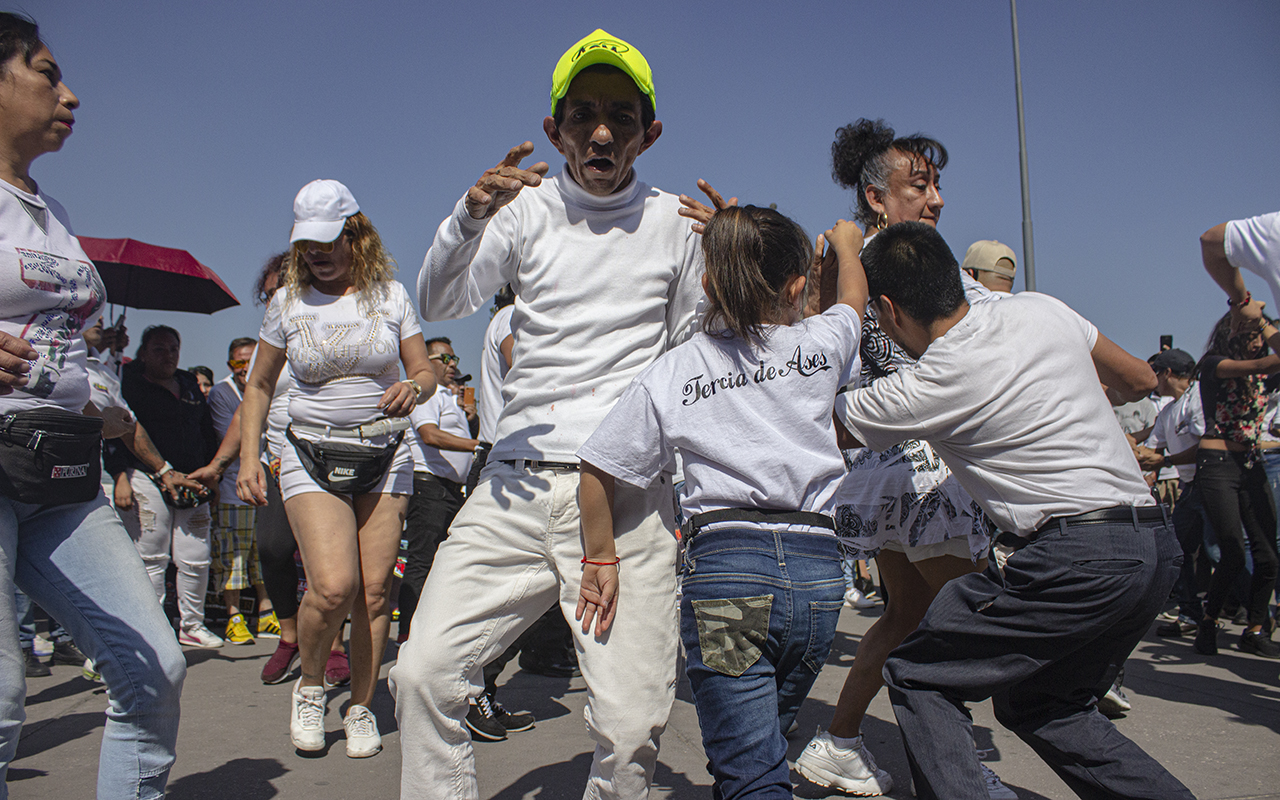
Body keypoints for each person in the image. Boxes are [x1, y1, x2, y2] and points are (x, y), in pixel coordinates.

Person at [391, 29, 708, 799]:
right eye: (584, 115)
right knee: (424, 673)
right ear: (554, 131)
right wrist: (468, 214)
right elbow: (437, 300)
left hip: (625, 500)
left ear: (649, 133)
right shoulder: (519, 210)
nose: (602, 132)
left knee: (632, 726)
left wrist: (737, 262)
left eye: (621, 118)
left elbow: (694, 354)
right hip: (514, 489)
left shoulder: (678, 225)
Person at [835, 221, 1192, 800]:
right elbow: (1138, 379)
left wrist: (844, 271)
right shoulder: (1041, 310)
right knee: (1044, 704)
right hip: (1152, 547)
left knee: (919, 672)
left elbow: (807, 418)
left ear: (889, 311)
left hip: (1076, 557)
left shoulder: (929, 382)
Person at [577, 206, 865, 799]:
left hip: (728, 573)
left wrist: (600, 557)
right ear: (795, 287)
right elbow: (853, 303)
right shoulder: (821, 344)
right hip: (817, 577)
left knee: (749, 764)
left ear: (707, 285)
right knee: (765, 743)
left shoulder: (677, 369)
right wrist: (848, 249)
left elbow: (599, 465)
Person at [0, 13, 186, 797]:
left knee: (155, 666)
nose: (69, 93)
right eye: (47, 72)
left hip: (60, 471)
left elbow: (63, 344)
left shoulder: (54, 216)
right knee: (3, 697)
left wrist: (102, 397)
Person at [795, 119, 1003, 800]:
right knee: (981, 616)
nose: (937, 198)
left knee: (906, 616)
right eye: (921, 185)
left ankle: (840, 741)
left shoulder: (861, 258)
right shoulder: (891, 266)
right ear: (878, 197)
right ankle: (957, 769)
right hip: (917, 471)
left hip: (886, 473)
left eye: (938, 184)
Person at [237, 179, 435, 758]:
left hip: (383, 453)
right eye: (306, 245)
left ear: (356, 234)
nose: (317, 254)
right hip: (309, 451)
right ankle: (310, 685)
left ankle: (360, 707)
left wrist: (413, 388)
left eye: (327, 241)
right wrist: (252, 456)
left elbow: (426, 371)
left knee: (374, 594)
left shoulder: (392, 296)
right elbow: (260, 385)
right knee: (332, 586)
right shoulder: (287, 302)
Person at [189, 254, 350, 686]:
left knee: (324, 560)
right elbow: (248, 408)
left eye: (284, 289)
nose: (276, 299)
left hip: (326, 460)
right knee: (274, 549)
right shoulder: (267, 344)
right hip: (278, 461)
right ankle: (290, 636)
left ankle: (333, 643)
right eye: (269, 294)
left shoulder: (331, 330)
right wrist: (223, 463)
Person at [117, 325, 221, 647]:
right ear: (143, 353)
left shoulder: (189, 384)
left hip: (192, 478)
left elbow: (206, 430)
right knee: (151, 558)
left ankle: (192, 625)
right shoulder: (127, 383)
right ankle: (150, 628)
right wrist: (120, 473)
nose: (168, 355)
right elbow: (116, 431)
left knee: (196, 556)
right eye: (159, 349)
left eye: (173, 348)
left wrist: (212, 473)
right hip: (144, 477)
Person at [1187, 308, 1280, 658]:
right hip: (1217, 463)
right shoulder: (1214, 364)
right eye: (1250, 334)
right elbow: (1259, 366)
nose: (1257, 342)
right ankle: (1208, 621)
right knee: (1232, 551)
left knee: (1269, 555)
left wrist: (1264, 323)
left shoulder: (1264, 375)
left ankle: (1255, 629)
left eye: (1260, 335)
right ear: (1231, 334)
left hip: (1250, 463)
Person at [1133, 349, 1208, 637]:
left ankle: (1252, 612)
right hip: (1190, 488)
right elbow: (1151, 448)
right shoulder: (1168, 409)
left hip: (1211, 483)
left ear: (1167, 373)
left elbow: (1206, 445)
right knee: (1176, 550)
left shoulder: (1199, 396)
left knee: (1222, 550)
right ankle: (1190, 613)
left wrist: (1165, 462)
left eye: (1155, 372)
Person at [206, 336, 276, 644]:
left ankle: (265, 612)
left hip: (266, 486)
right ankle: (234, 616)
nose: (244, 367)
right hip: (234, 485)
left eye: (250, 360)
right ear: (229, 365)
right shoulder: (223, 393)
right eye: (238, 362)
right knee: (232, 555)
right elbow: (230, 435)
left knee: (261, 554)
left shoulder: (268, 385)